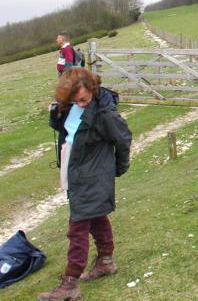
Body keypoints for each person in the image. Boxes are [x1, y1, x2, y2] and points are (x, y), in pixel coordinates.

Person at [38, 68, 131, 301]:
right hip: (76, 170)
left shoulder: (104, 113)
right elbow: (67, 131)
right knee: (96, 216)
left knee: (77, 226)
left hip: (93, 175)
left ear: (92, 87)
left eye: (82, 98)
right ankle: (106, 262)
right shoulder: (71, 106)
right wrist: (56, 113)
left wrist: (118, 167)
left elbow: (123, 139)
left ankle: (70, 283)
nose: (79, 103)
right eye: (74, 100)